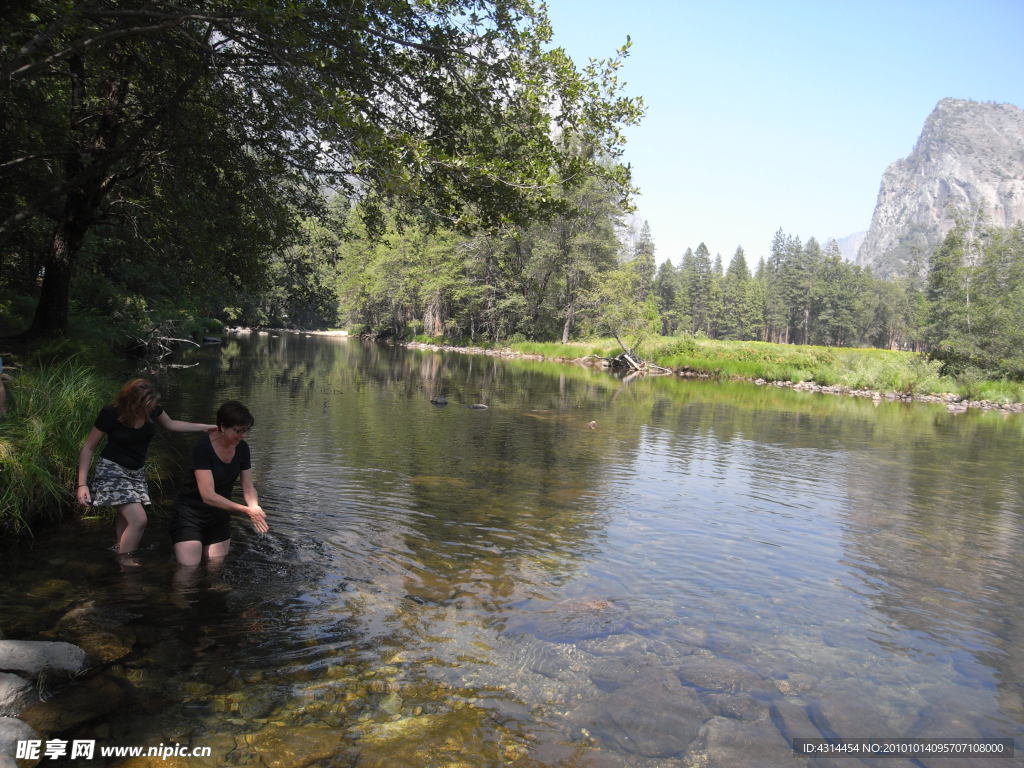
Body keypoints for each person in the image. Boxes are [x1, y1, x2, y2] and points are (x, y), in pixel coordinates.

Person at [77, 379, 215, 556]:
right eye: (146, 406)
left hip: (136, 472)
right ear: (132, 402)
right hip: (112, 470)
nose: (151, 409)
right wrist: (82, 484)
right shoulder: (111, 413)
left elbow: (171, 424)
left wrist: (206, 427)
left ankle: (120, 554)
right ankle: (126, 563)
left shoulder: (153, 408)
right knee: (138, 520)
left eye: (152, 405)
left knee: (126, 520)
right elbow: (88, 447)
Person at [170, 400, 268, 569]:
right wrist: (245, 510)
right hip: (190, 515)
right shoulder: (202, 448)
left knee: (215, 571)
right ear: (222, 427)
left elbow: (248, 486)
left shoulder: (242, 448)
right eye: (238, 431)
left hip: (219, 517)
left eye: (245, 431)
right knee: (188, 572)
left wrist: (255, 507)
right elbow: (208, 496)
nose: (242, 436)